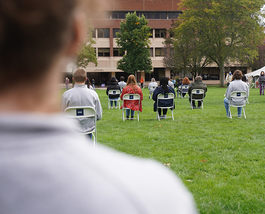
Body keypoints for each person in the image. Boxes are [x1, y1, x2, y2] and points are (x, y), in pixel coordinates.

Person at [0, 1, 198, 213]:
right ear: (76, 35)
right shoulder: (155, 196)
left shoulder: (69, 95)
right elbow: (98, 116)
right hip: (93, 128)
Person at [61, 68, 103, 135]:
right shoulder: (93, 94)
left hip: (71, 129)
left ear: (73, 79)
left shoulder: (66, 95)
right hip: (88, 129)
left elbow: (62, 115)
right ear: (86, 79)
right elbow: (99, 116)